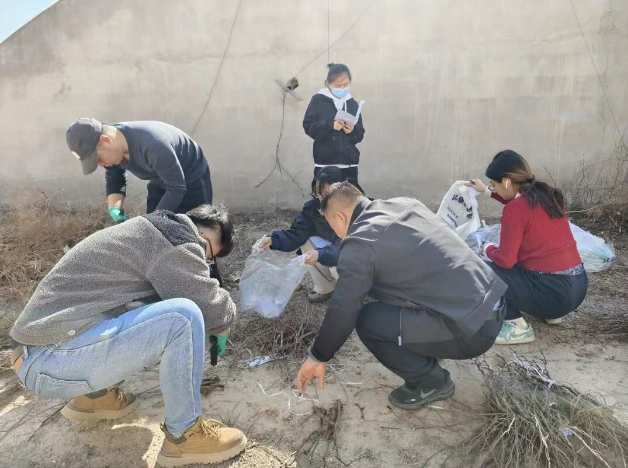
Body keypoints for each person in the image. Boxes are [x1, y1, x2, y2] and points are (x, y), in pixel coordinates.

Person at [9, 205, 247, 467]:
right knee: (184, 316)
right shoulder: (177, 242)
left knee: (143, 307)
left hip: (39, 358)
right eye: (209, 255)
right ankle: (185, 438)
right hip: (51, 361)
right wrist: (223, 323)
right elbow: (212, 309)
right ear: (202, 235)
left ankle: (95, 397)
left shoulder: (147, 232)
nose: (204, 262)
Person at [296, 183, 507, 410]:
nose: (335, 233)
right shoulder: (405, 205)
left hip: (472, 331)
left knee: (368, 322)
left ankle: (432, 382)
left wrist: (317, 356)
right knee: (389, 300)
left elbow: (343, 309)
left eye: (331, 225)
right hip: (493, 303)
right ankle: (428, 349)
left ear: (339, 217)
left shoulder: (360, 244)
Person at [468, 150, 588, 345]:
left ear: (507, 182)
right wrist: (486, 190)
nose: (494, 188)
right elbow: (515, 201)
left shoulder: (515, 209)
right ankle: (551, 313)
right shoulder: (547, 194)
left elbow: (506, 261)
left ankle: (516, 326)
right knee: (527, 258)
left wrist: (487, 248)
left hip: (553, 296)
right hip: (577, 288)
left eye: (494, 184)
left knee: (484, 268)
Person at [66, 118, 213, 221]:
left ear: (106, 140)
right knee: (155, 239)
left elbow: (177, 188)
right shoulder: (115, 150)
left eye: (98, 159)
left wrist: (154, 222)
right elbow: (115, 180)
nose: (101, 164)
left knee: (197, 236)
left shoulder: (154, 145)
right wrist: (115, 210)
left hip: (191, 181)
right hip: (160, 182)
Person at [258, 167, 357, 302]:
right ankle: (326, 288)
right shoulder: (313, 208)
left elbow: (349, 248)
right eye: (318, 193)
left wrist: (320, 254)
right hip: (331, 249)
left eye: (327, 194)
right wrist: (273, 240)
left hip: (350, 254)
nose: (321, 199)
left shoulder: (353, 210)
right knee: (306, 243)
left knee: (341, 266)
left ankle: (352, 294)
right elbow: (297, 233)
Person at [303, 63, 366, 190]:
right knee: (324, 199)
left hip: (349, 165)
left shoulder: (352, 103)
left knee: (350, 200)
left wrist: (352, 131)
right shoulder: (318, 100)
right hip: (325, 165)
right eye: (338, 85)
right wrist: (330, 125)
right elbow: (308, 126)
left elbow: (359, 135)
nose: (342, 88)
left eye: (346, 84)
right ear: (328, 84)